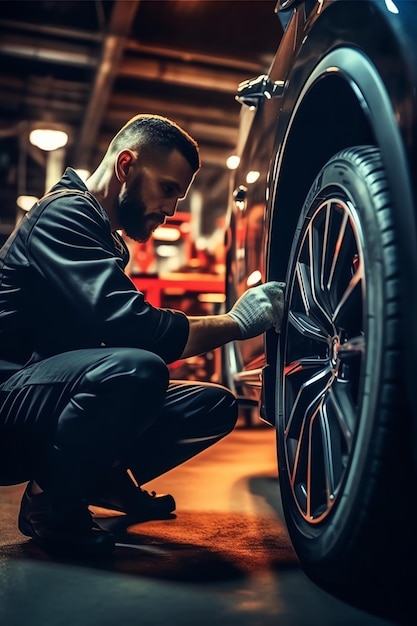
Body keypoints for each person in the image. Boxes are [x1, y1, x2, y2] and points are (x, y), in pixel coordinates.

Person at [0, 114, 285, 557]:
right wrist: (237, 322)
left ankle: (103, 480)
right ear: (126, 166)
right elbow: (137, 329)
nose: (172, 208)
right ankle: (50, 504)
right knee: (136, 370)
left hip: (43, 396)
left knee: (212, 405)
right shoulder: (64, 215)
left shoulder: (102, 234)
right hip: (8, 403)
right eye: (168, 188)